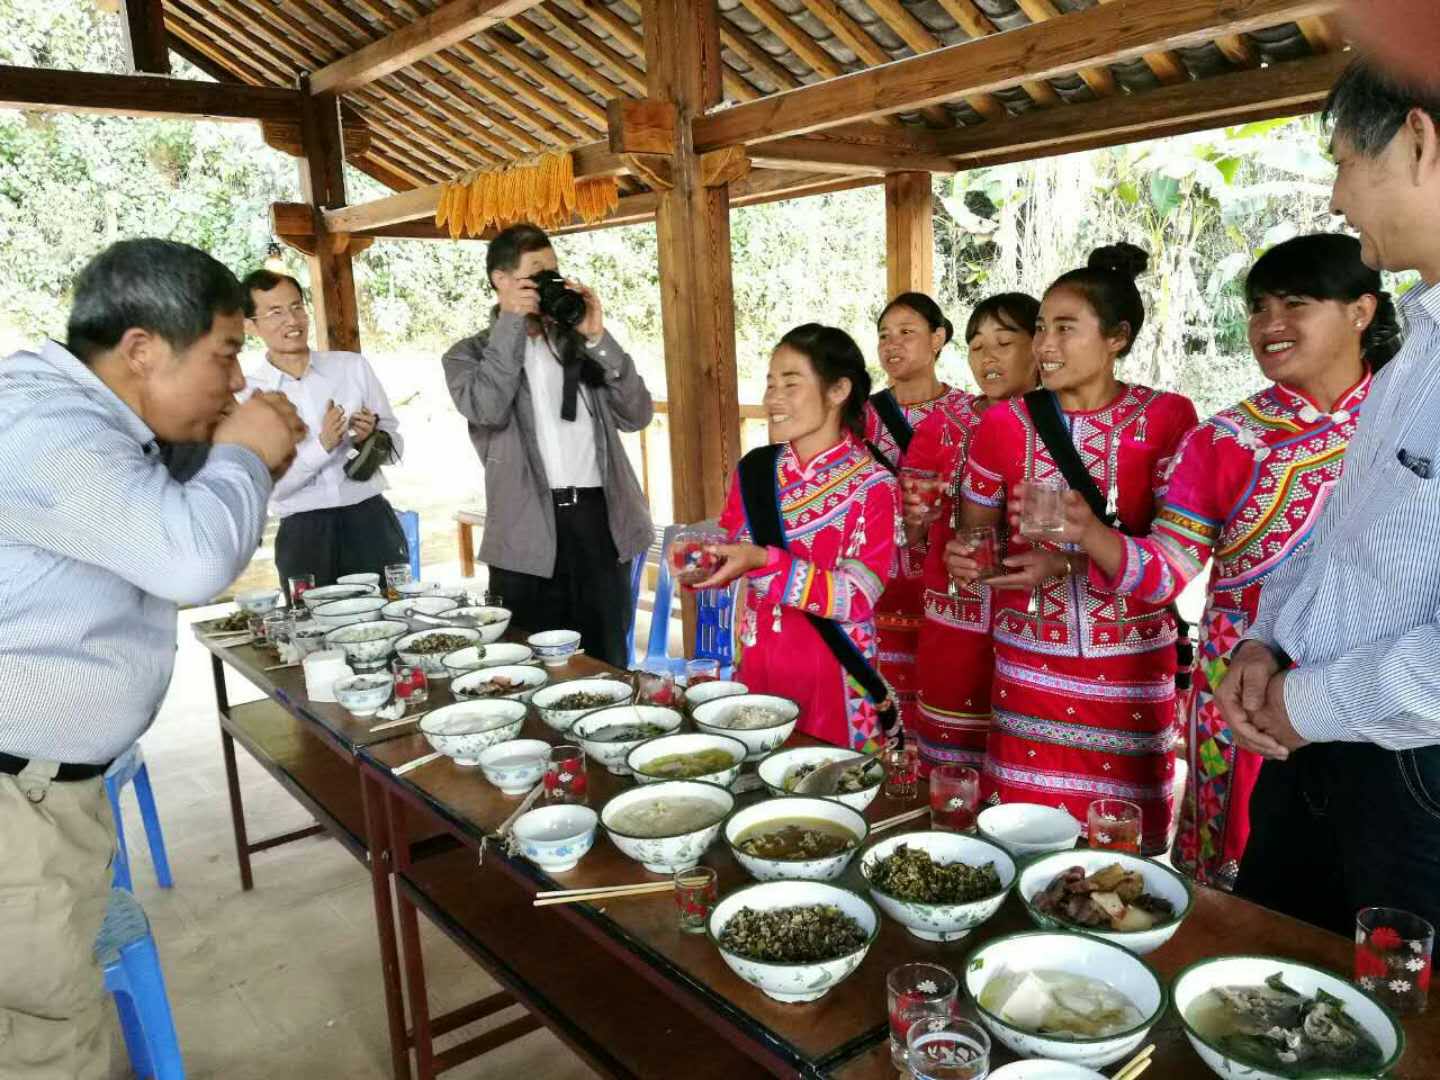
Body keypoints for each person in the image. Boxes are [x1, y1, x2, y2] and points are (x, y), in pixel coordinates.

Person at [0, 239, 303, 1079]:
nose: (235, 382)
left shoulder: (93, 424)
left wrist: (236, 452)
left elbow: (169, 508)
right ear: (142, 349)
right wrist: (242, 452)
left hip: (41, 792)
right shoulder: (42, 425)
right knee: (46, 1044)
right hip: (14, 806)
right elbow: (191, 559)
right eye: (226, 354)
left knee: (56, 1017)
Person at [1051, 234, 1399, 888]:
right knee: (1242, 879)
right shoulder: (1222, 440)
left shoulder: (1410, 423)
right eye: (1259, 307)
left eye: (1294, 303)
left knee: (1380, 883)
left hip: (1385, 689)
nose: (1270, 323)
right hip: (1242, 692)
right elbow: (1165, 572)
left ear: (1361, 311)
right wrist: (1090, 534)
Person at [1217, 60, 1440, 939]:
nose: (1339, 197)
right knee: (1267, 983)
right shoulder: (1416, 353)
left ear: (1419, 140)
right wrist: (1265, 640)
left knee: (1395, 1011)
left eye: (1347, 162)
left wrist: (1304, 704)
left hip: (1411, 776)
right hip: (1313, 751)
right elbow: (1342, 541)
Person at [946, 244, 1199, 854]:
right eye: (1040, 328)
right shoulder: (1004, 423)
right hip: (1029, 661)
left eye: (1065, 328)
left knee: (1120, 854)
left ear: (1117, 338)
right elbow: (977, 534)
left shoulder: (1167, 418)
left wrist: (1069, 559)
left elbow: (1176, 558)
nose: (1045, 345)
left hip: (1130, 664)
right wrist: (968, 560)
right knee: (1021, 838)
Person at [443, 223, 653, 668]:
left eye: (553, 274)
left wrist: (597, 337)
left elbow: (637, 414)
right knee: (528, 664)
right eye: (536, 275)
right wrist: (510, 324)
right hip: (525, 530)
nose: (548, 286)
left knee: (607, 661)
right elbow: (487, 408)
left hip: (598, 522)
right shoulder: (467, 355)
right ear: (502, 280)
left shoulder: (579, 344)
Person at [698, 325, 900, 751]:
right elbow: (731, 550)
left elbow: (857, 597)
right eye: (770, 384)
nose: (773, 398)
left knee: (828, 782)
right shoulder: (755, 470)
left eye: (790, 384)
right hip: (759, 662)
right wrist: (703, 563)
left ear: (838, 390)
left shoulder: (873, 485)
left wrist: (764, 561)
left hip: (835, 675)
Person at [906, 293, 1040, 774]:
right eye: (977, 346)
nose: (987, 358)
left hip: (1038, 617)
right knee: (952, 764)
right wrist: (919, 517)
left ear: (1039, 344)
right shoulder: (943, 424)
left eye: (1003, 343)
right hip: (955, 618)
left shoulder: (1062, 422)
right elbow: (912, 531)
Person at [241, 269, 409, 603]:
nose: (292, 320)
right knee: (313, 628)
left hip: (371, 520)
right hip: (304, 534)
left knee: (391, 616)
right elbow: (265, 486)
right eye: (275, 312)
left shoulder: (351, 367)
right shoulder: (248, 394)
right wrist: (323, 445)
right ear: (250, 326)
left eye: (297, 307)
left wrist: (369, 439)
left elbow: (396, 449)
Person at [863, 294, 975, 738]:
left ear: (937, 338)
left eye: (906, 332)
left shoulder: (971, 414)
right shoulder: (859, 417)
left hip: (950, 588)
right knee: (882, 714)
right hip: (881, 586)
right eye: (884, 335)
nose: (892, 344)